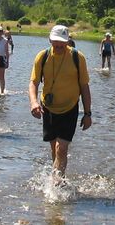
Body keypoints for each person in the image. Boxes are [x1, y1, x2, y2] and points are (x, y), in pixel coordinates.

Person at [28, 25, 92, 182]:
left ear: (68, 41)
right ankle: (60, 178)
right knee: (54, 149)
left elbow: (84, 86)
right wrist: (34, 102)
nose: (58, 46)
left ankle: (55, 183)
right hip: (48, 109)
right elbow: (33, 82)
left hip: (70, 108)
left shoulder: (78, 58)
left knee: (61, 148)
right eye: (55, 42)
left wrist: (88, 113)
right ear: (50, 40)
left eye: (62, 43)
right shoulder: (42, 57)